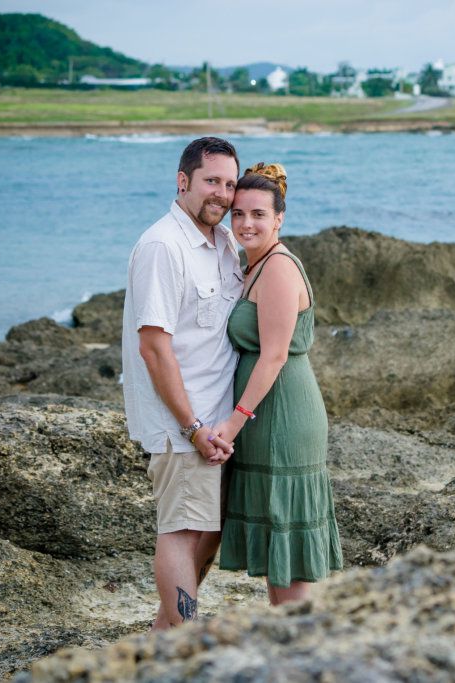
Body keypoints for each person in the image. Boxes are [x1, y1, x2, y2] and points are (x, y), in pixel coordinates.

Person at [121, 137, 243, 629]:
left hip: (218, 422)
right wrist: (192, 426)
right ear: (183, 180)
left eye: (230, 184)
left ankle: (166, 627)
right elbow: (154, 348)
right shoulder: (162, 246)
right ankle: (179, 638)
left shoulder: (223, 241)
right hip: (183, 423)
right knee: (183, 530)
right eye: (212, 181)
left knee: (209, 530)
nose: (222, 194)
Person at [211, 162, 343, 605]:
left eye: (258, 215)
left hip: (282, 416)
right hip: (265, 415)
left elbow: (274, 356)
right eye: (239, 214)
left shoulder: (280, 268)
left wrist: (232, 424)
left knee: (289, 551)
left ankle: (304, 653)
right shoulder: (254, 265)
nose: (246, 224)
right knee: (277, 548)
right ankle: (296, 649)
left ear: (279, 219)